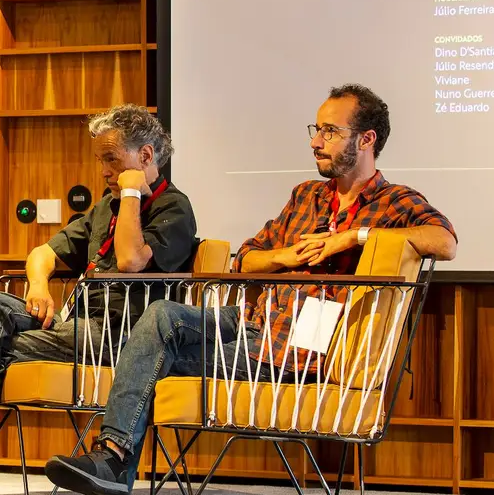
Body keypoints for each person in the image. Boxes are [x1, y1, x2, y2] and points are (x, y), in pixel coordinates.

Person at [45, 84, 458, 495]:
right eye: (316, 129)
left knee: (152, 352)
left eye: (330, 132)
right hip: (248, 322)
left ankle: (112, 460)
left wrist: (353, 237)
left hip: (292, 347)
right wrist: (287, 257)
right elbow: (246, 258)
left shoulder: (394, 200)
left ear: (366, 139)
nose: (315, 141)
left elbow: (445, 241)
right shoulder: (306, 196)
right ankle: (113, 462)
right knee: (161, 315)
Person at [0, 104, 200, 495]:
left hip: (121, 338)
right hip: (78, 329)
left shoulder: (173, 207)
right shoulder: (104, 208)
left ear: (145, 156)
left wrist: (131, 191)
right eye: (100, 160)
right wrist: (38, 286)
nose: (104, 171)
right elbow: (42, 254)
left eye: (112, 159)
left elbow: (129, 260)